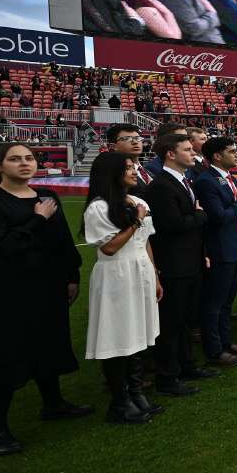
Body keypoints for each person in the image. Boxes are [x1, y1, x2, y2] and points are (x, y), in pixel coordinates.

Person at [0, 143, 93, 455]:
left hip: (48, 285)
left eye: (29, 158)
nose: (24, 163)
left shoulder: (48, 198)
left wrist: (71, 276)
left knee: (47, 345)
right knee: (4, 355)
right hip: (8, 290)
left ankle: (54, 404)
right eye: (14, 159)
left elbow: (63, 242)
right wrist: (37, 219)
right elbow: (1, 245)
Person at [82, 152, 162, 425]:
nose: (134, 170)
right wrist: (136, 219)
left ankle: (136, 393)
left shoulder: (139, 200)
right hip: (117, 273)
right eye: (127, 167)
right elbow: (110, 246)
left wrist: (155, 276)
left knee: (139, 332)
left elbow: (145, 242)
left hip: (140, 270)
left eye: (134, 166)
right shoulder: (99, 207)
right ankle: (120, 401)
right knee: (119, 334)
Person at [145, 133, 213, 396]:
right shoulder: (162, 186)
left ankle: (187, 365)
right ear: (170, 154)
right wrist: (198, 216)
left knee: (185, 319)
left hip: (190, 260)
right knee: (171, 323)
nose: (193, 153)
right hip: (174, 264)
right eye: (187, 149)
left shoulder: (184, 182)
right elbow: (171, 225)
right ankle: (167, 376)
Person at [192, 137, 237, 369]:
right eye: (231, 151)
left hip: (234, 245)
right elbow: (217, 216)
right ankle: (215, 351)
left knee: (227, 301)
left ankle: (226, 343)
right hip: (220, 248)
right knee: (214, 303)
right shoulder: (208, 181)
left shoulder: (226, 179)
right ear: (217, 156)